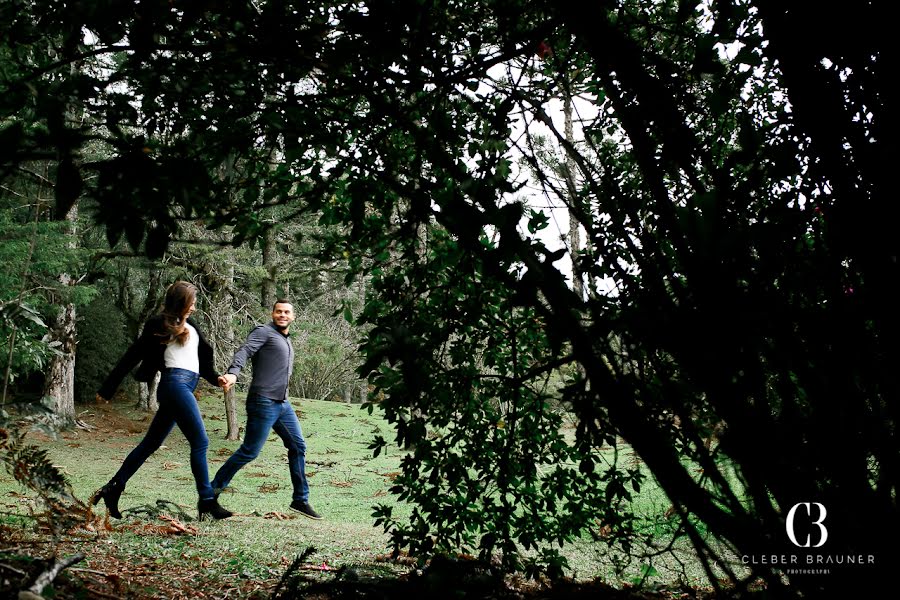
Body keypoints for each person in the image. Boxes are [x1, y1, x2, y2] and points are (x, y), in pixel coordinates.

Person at [91, 281, 232, 521]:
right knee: (200, 442)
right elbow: (132, 354)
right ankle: (207, 501)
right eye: (192, 303)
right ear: (182, 302)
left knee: (150, 443)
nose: (195, 307)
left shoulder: (192, 326)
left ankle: (113, 488)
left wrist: (217, 378)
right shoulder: (159, 324)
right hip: (174, 385)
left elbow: (200, 363)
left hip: (186, 385)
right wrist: (107, 389)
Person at [214, 300, 322, 520]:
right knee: (249, 451)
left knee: (298, 446)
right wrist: (233, 373)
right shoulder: (264, 332)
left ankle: (300, 500)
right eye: (278, 311)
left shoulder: (285, 339)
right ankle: (209, 494)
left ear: (293, 316)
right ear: (273, 313)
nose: (282, 315)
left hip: (282, 403)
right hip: (263, 401)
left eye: (286, 312)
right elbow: (245, 351)